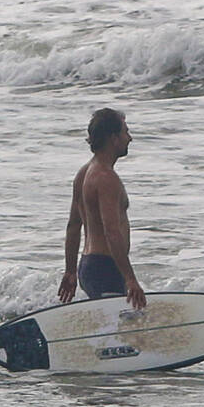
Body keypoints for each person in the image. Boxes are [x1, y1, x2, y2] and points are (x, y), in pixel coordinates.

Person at [57, 108, 147, 310]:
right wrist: (130, 278)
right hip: (106, 267)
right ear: (113, 138)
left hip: (89, 266)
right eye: (126, 132)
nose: (130, 138)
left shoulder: (84, 173)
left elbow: (73, 225)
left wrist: (70, 271)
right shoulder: (106, 178)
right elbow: (111, 232)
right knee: (117, 332)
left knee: (112, 329)